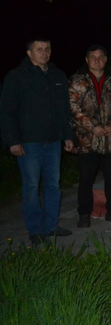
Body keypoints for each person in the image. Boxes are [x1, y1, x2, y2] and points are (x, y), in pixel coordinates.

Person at [1, 38, 75, 243]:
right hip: (28, 142)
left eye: (47, 49)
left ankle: (51, 225)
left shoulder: (57, 75)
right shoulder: (16, 77)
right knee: (32, 186)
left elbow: (63, 110)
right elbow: (7, 111)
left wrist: (67, 135)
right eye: (39, 49)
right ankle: (35, 230)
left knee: (53, 185)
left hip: (53, 141)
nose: (44, 53)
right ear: (29, 53)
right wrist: (12, 141)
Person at [69, 45, 111, 228]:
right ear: (87, 60)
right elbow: (73, 108)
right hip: (87, 139)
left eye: (101, 57)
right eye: (93, 57)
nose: (97, 60)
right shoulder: (76, 81)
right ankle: (84, 214)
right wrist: (93, 127)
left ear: (105, 60)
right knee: (86, 178)